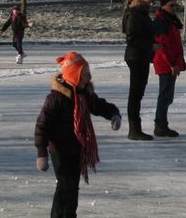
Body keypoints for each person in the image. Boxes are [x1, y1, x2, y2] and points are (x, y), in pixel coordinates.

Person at [34, 51, 121, 217]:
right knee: (66, 187)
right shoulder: (56, 99)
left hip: (76, 149)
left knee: (71, 187)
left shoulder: (84, 94)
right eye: (84, 74)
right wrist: (41, 154)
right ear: (74, 76)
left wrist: (113, 114)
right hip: (60, 151)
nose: (88, 78)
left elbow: (99, 106)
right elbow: (42, 126)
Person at [152, 0, 186, 137]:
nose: (174, 8)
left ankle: (161, 124)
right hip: (165, 63)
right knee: (165, 95)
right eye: (171, 5)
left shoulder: (169, 20)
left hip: (170, 62)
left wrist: (181, 62)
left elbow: (174, 45)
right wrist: (172, 63)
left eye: (175, 5)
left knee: (168, 96)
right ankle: (160, 125)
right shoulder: (162, 22)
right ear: (163, 6)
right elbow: (163, 45)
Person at [122, 0, 155, 141]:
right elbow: (132, 38)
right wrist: (151, 45)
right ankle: (134, 130)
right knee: (135, 94)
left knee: (138, 93)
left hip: (141, 56)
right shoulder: (135, 13)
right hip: (136, 56)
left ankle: (135, 129)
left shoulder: (141, 12)